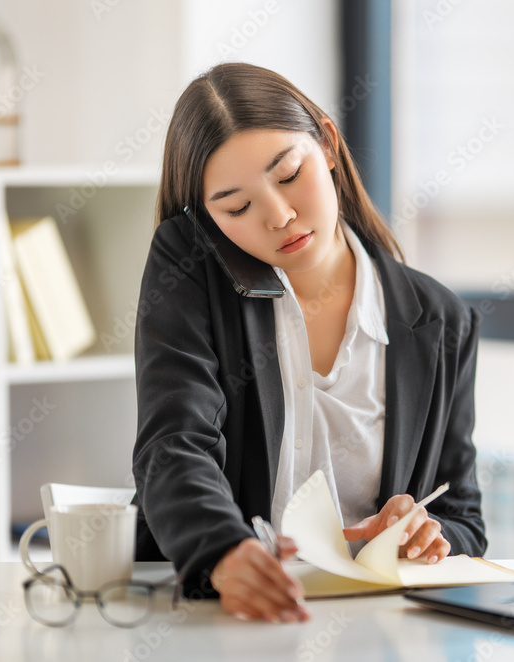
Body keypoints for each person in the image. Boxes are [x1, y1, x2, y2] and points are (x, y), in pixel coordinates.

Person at [131, 62, 485, 624]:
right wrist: (224, 551)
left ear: (328, 144)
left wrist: (424, 537)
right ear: (209, 219)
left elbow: (463, 516)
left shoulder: (439, 320)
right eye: (237, 207)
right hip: (221, 621)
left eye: (290, 173)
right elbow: (173, 446)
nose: (280, 216)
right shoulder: (192, 264)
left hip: (374, 627)